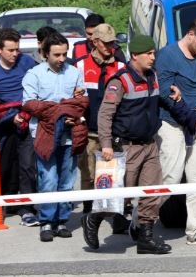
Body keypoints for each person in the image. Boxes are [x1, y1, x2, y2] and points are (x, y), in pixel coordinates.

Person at [82, 35, 177, 254]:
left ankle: (145, 239)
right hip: (126, 147)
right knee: (119, 194)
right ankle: (94, 218)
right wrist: (105, 144)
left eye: (154, 53)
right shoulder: (120, 81)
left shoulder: (153, 76)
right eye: (149, 54)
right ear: (135, 55)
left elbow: (157, 98)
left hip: (149, 145)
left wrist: (174, 92)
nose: (153, 58)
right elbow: (105, 115)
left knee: (152, 192)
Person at [155, 18, 196, 246]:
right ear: (191, 34)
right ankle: (142, 220)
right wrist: (191, 118)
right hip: (172, 125)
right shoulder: (167, 56)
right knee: (169, 177)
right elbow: (165, 95)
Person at [21, 32, 88, 242]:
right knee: (48, 179)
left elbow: (81, 102)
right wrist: (61, 111)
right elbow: (30, 105)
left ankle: (62, 221)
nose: (62, 59)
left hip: (70, 135)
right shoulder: (34, 75)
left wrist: (65, 112)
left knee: (67, 181)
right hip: (44, 135)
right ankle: (47, 221)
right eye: (57, 55)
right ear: (45, 54)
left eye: (64, 54)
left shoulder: (74, 72)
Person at [72, 23, 130, 233]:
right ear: (94, 42)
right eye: (106, 43)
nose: (110, 47)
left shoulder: (122, 67)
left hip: (113, 134)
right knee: (88, 176)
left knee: (115, 177)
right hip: (89, 132)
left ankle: (117, 218)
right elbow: (72, 99)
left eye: (113, 43)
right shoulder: (78, 66)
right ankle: (89, 215)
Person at [0, 28, 38, 226]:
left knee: (28, 165)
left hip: (27, 120)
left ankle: (28, 207)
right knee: (6, 166)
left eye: (17, 49)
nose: (15, 54)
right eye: (11, 50)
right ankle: (8, 202)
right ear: (0, 50)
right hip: (3, 123)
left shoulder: (27, 62)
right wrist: (9, 117)